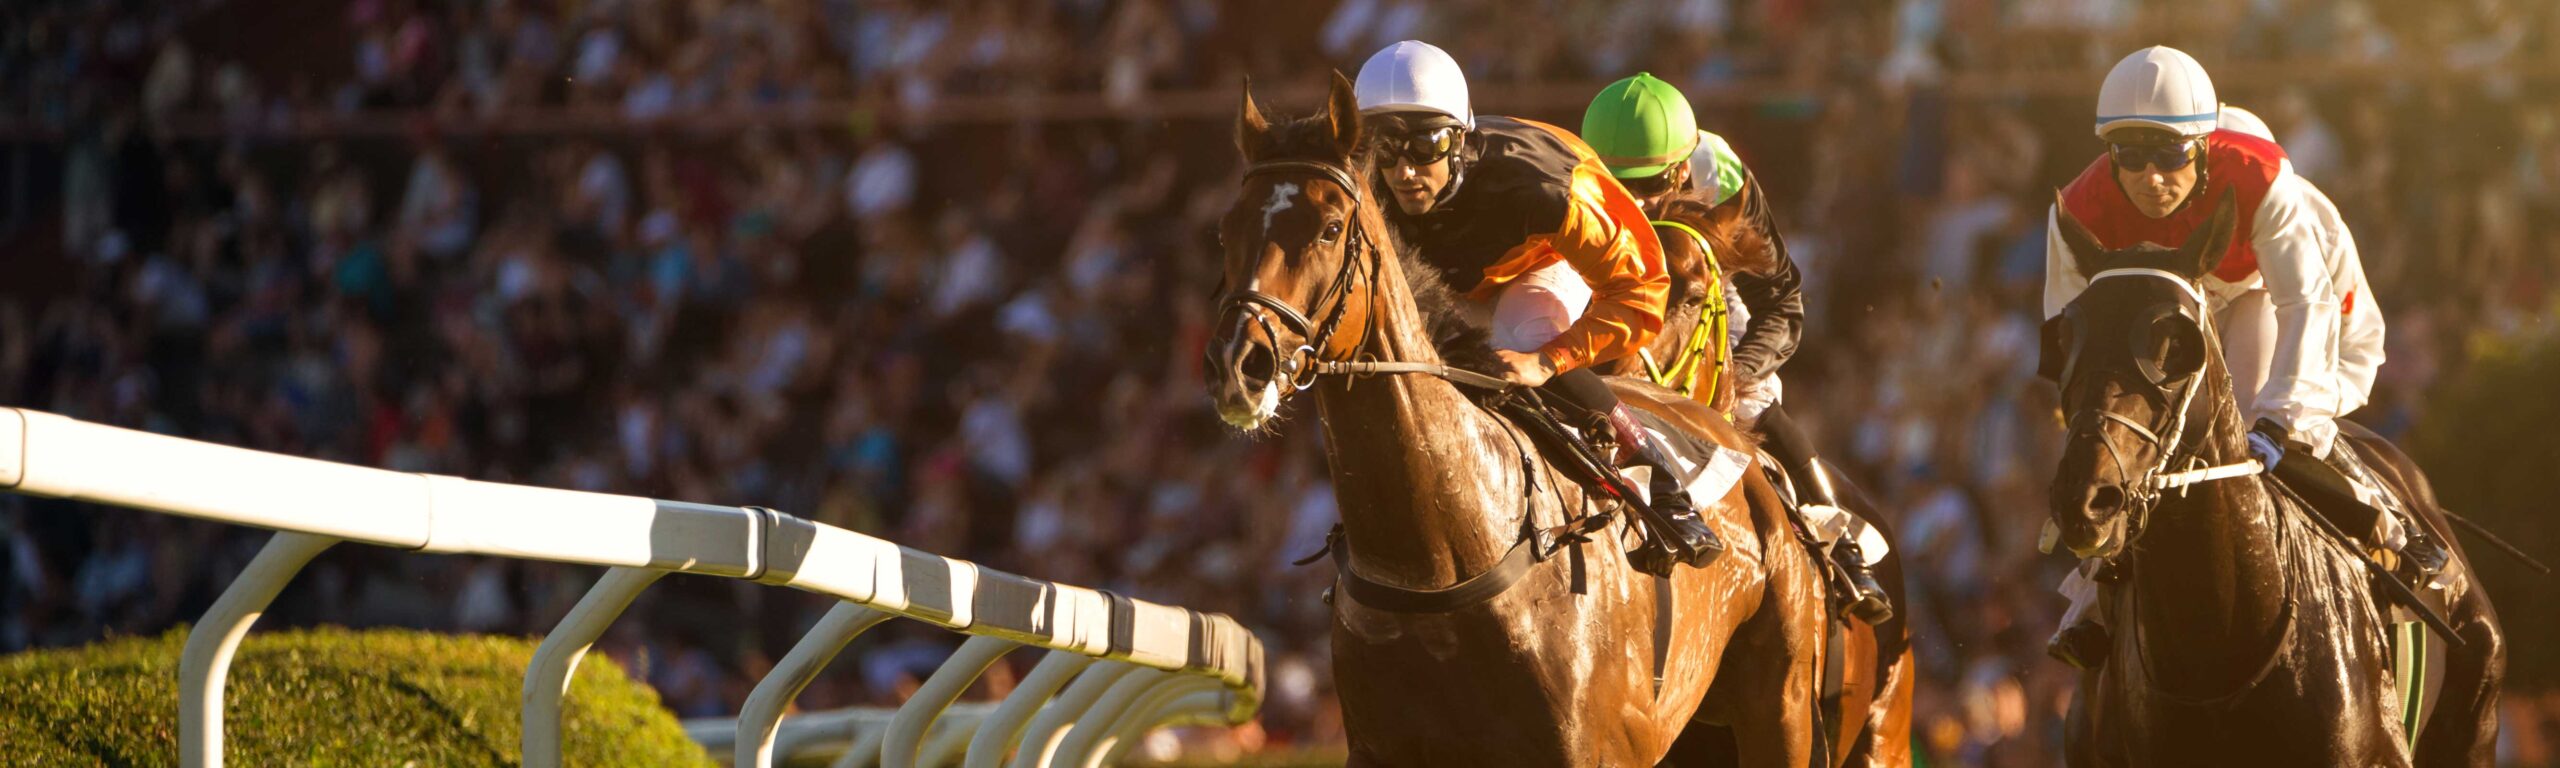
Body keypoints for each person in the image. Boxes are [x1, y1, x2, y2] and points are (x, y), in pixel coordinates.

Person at [2041, 46, 2445, 669]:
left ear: (2202, 147)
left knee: (2260, 416)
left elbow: (2304, 303)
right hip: (2186, 300)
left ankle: (2394, 527)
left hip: (2285, 292)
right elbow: (2068, 334)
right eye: (2131, 155)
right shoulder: (2078, 209)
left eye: (2169, 155)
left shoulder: (2263, 181)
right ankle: (2091, 594)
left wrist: (2278, 422)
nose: (2151, 177)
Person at [1351, 40, 1719, 575]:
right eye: (1386, 150)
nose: (1405, 172)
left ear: (1459, 139)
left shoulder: (1545, 186)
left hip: (1542, 264)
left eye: (1425, 146)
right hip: (1453, 282)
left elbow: (1642, 290)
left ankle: (1659, 480)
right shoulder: (1364, 184)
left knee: (1517, 340)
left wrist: (1546, 362)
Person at [1578, 73, 1891, 622]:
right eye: (1618, 184)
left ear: (1681, 170)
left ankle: (1841, 545)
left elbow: (1783, 301)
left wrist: (1734, 373)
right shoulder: (1574, 176)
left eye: (1649, 184)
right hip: (1606, 298)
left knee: (1752, 400)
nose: (1635, 202)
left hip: (1703, 296)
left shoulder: (1717, 175)